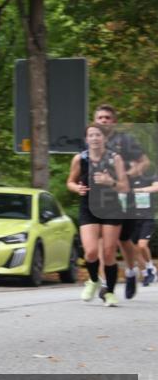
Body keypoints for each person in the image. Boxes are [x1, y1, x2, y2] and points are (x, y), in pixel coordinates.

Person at [66, 123, 129, 306]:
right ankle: (93, 280)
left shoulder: (115, 159)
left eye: (98, 135)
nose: (94, 138)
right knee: (91, 252)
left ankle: (109, 293)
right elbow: (70, 182)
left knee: (109, 254)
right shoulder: (80, 159)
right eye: (91, 135)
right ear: (86, 139)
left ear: (105, 138)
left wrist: (110, 182)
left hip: (111, 208)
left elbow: (125, 187)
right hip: (89, 208)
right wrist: (77, 188)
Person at [93, 104, 150, 299]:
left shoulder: (125, 141)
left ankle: (131, 271)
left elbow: (144, 162)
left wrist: (127, 175)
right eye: (100, 117)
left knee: (123, 239)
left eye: (107, 117)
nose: (104, 120)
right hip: (100, 197)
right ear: (95, 121)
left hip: (124, 194)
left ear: (114, 121)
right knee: (102, 239)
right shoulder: (92, 139)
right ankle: (105, 283)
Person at [130, 170, 158, 286]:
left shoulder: (149, 176)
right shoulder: (127, 179)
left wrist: (139, 190)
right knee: (134, 249)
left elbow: (156, 187)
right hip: (132, 219)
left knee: (142, 245)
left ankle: (151, 267)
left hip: (147, 218)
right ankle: (146, 273)